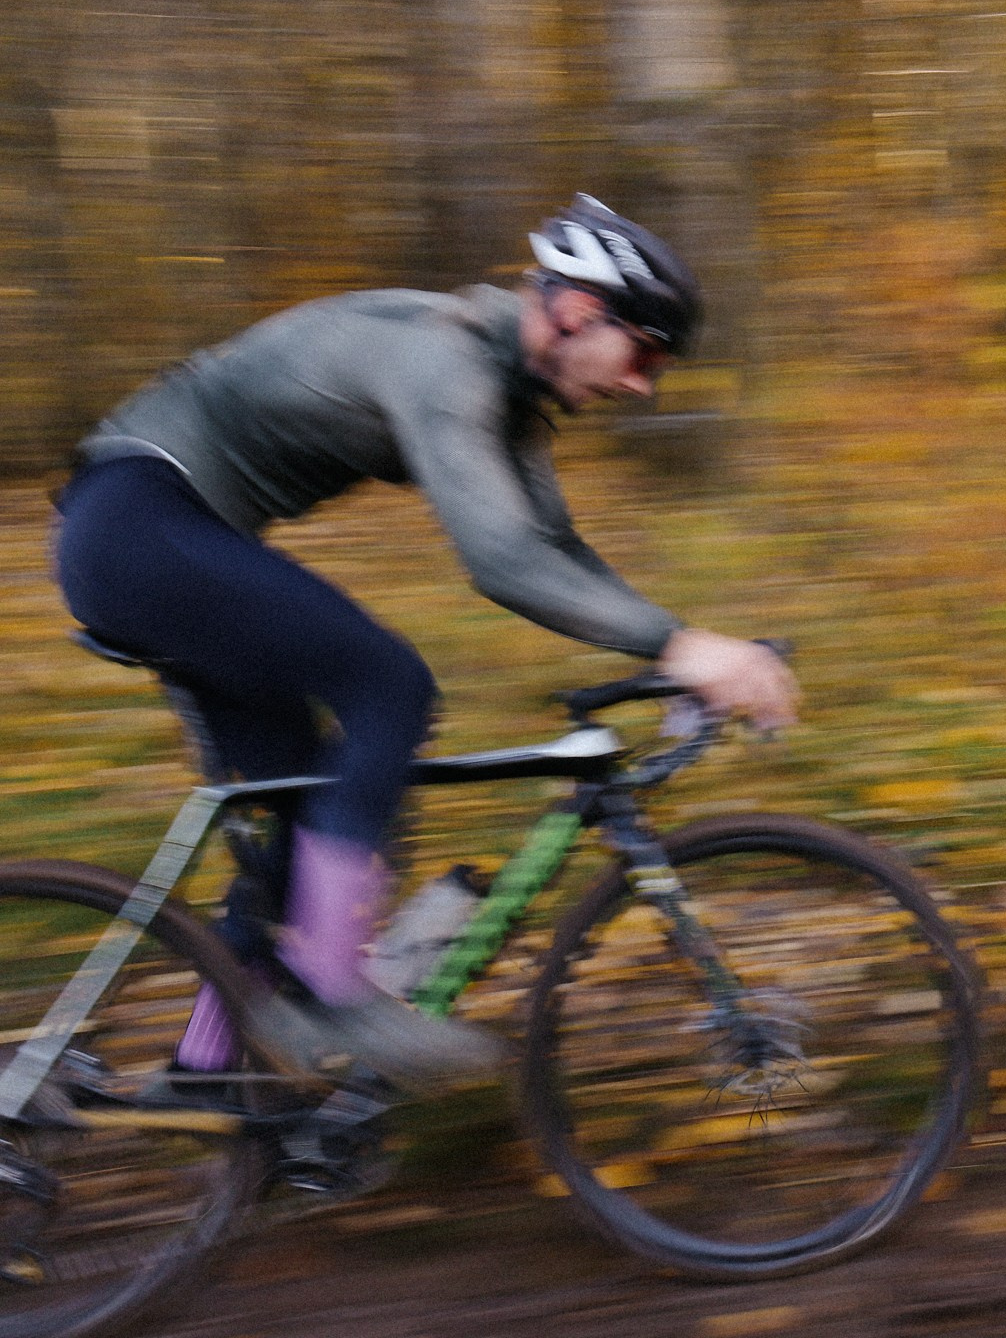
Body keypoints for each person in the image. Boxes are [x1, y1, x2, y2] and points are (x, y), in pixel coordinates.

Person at [51, 194, 798, 1091]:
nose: (640, 384)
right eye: (642, 352)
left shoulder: (508, 389)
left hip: (162, 539)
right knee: (389, 684)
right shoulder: (445, 361)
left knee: (303, 807)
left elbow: (555, 548)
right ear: (575, 312)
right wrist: (683, 649)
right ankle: (336, 989)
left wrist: (680, 647)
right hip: (137, 523)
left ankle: (205, 1072)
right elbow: (503, 561)